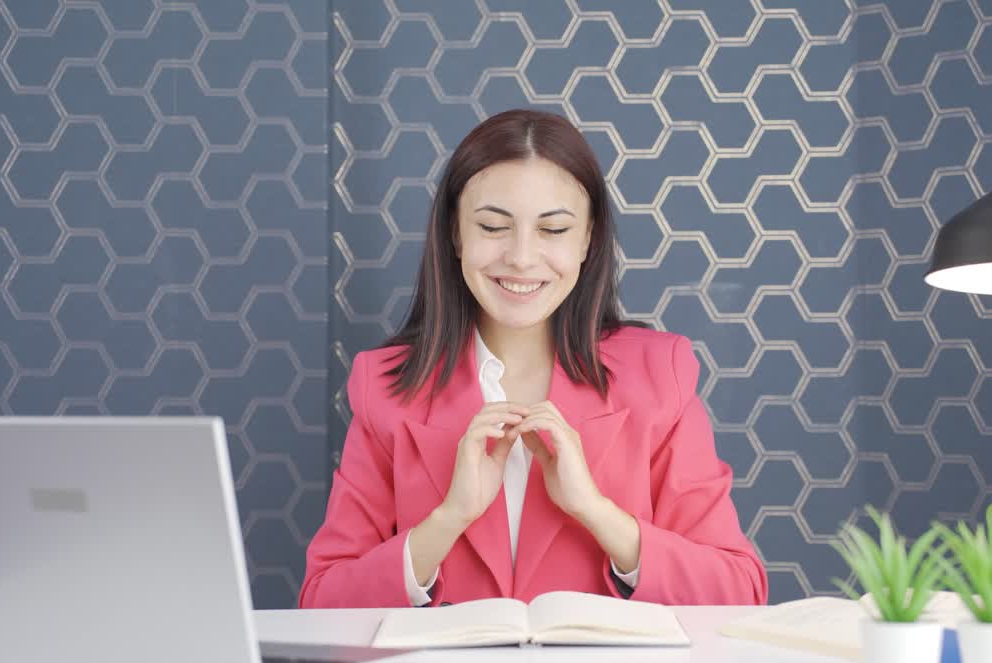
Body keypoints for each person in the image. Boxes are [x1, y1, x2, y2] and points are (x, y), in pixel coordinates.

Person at [299, 109, 767, 608]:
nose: (522, 257)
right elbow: (322, 602)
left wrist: (595, 510)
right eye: (494, 226)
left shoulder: (661, 375)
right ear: (456, 234)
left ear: (588, 239)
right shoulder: (385, 387)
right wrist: (449, 517)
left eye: (554, 230)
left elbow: (738, 590)